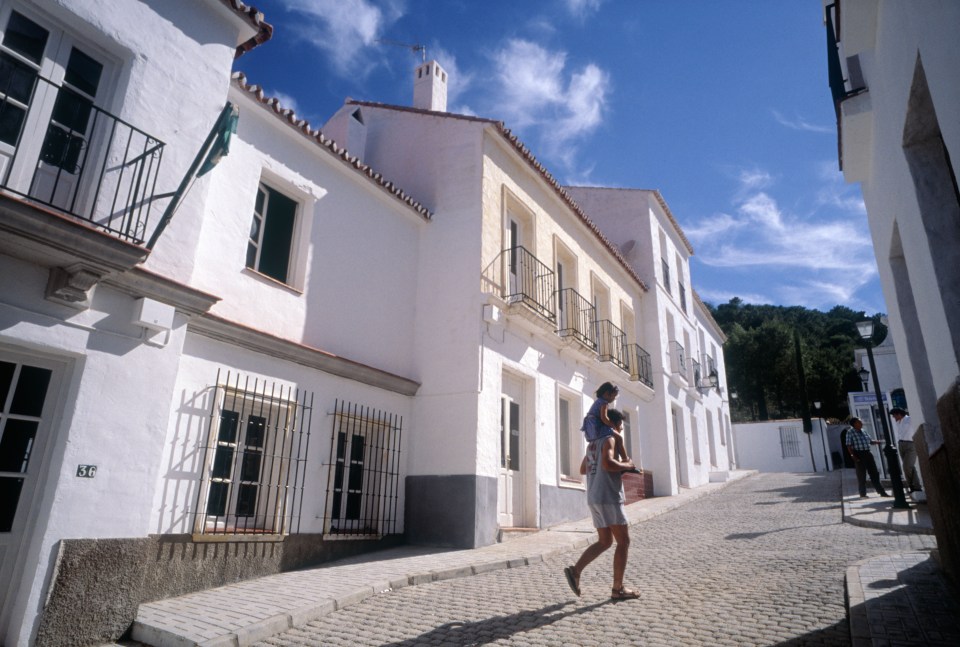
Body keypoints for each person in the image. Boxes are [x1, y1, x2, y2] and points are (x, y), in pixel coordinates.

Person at [564, 408, 640, 600]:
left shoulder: (592, 444)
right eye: (620, 425)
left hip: (594, 498)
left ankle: (575, 571)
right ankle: (618, 588)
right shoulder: (610, 440)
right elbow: (608, 464)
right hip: (608, 497)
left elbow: (583, 469)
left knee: (605, 541)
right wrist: (628, 466)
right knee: (623, 541)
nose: (621, 430)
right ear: (613, 424)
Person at [581, 382, 627, 461]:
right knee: (619, 438)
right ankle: (625, 459)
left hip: (591, 429)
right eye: (613, 396)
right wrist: (612, 426)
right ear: (607, 394)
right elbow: (604, 418)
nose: (614, 399)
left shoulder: (598, 402)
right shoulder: (604, 403)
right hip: (597, 428)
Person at [844, 417, 889, 498]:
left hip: (867, 453)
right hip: (858, 454)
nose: (861, 423)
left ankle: (881, 492)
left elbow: (870, 441)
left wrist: (878, 442)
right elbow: (848, 445)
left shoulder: (863, 431)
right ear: (854, 424)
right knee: (861, 475)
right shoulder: (850, 432)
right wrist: (853, 456)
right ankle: (863, 494)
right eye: (859, 422)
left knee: (874, 473)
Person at [890, 407, 922, 492]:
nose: (894, 418)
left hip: (911, 444)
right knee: (908, 467)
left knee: (907, 466)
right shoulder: (898, 422)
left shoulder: (909, 419)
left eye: (894, 416)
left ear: (899, 414)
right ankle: (914, 486)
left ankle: (914, 486)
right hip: (901, 444)